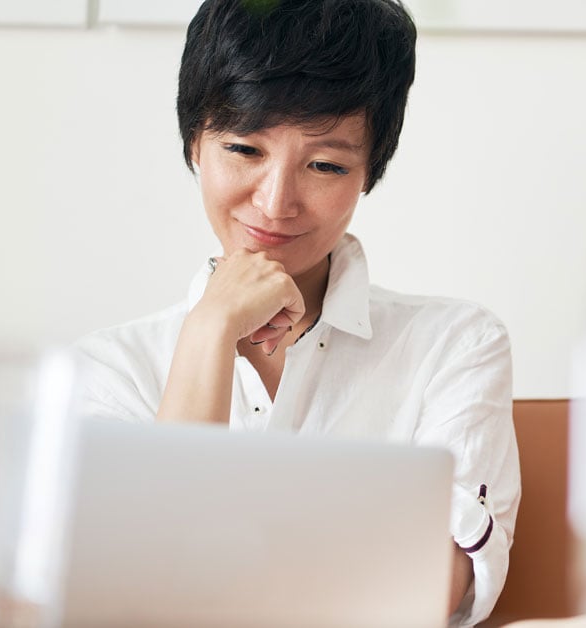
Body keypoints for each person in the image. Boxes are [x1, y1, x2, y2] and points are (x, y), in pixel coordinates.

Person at [73, 0, 519, 625]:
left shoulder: (455, 346)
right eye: (245, 150)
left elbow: (424, 594)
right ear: (194, 145)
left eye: (325, 165)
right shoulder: (108, 369)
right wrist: (208, 331)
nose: (276, 202)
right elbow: (144, 596)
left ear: (369, 173)